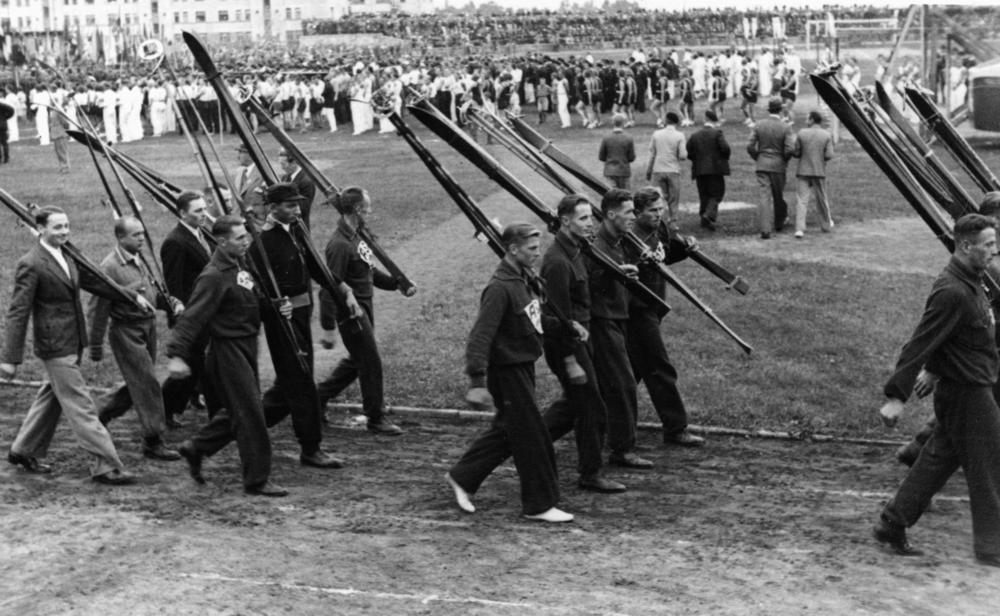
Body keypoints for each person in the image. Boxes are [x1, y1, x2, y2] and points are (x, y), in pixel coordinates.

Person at [874, 214, 1000, 567]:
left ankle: (892, 523)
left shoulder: (972, 282)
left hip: (966, 390)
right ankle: (992, 546)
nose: (995, 250)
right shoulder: (952, 291)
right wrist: (896, 397)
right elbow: (922, 342)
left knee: (939, 458)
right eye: (989, 244)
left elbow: (961, 337)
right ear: (966, 246)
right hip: (968, 394)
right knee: (992, 465)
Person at [2, 206, 152, 485]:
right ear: (41, 229)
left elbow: (96, 281)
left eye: (66, 226)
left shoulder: (67, 254)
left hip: (73, 340)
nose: (64, 232)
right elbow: (17, 311)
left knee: (53, 395)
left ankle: (23, 450)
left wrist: (131, 297)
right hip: (54, 345)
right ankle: (106, 465)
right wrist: (10, 358)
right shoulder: (31, 263)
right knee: (80, 404)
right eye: (57, 227)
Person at [445, 223, 573, 523]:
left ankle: (462, 476)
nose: (537, 253)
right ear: (513, 249)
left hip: (523, 368)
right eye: (531, 248)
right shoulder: (500, 288)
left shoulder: (523, 280)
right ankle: (539, 506)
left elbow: (533, 320)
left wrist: (566, 327)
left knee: (507, 430)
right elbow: (480, 336)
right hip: (507, 372)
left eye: (538, 247)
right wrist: (477, 381)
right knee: (533, 437)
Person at [168, 215, 292, 497]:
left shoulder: (240, 265)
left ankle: (197, 446)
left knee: (241, 409)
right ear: (222, 242)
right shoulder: (213, 276)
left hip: (246, 345)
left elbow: (252, 303)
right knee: (251, 413)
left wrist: (275, 307)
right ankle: (257, 480)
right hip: (228, 350)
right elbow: (191, 318)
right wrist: (176, 355)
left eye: (246, 235)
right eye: (239, 238)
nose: (246, 241)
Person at [250, 182, 347, 469]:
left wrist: (343, 291)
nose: (297, 209)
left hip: (303, 314)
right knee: (302, 382)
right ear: (273, 207)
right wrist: (277, 308)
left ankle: (221, 434)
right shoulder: (263, 242)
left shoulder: (295, 231)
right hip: (283, 319)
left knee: (288, 387)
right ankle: (310, 448)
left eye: (298, 204)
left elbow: (316, 268)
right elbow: (259, 289)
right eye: (290, 205)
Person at [539, 194, 626, 493]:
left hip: (580, 339)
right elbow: (559, 319)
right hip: (568, 346)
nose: (591, 223)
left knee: (574, 407)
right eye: (584, 218)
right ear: (565, 221)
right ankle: (590, 473)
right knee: (592, 408)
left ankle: (524, 442)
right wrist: (571, 361)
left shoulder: (576, 249)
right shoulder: (557, 262)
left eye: (591, 217)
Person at [316, 187, 412, 436]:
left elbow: (369, 272)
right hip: (352, 312)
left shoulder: (357, 237)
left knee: (358, 361)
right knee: (370, 361)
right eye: (367, 207)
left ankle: (318, 398)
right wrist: (328, 327)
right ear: (358, 209)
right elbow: (329, 286)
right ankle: (376, 417)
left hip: (365, 307)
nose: (370, 210)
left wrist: (396, 284)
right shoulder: (339, 245)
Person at [88, 216, 183, 461]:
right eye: (135, 235)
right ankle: (153, 440)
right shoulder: (110, 267)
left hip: (147, 328)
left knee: (138, 381)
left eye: (142, 233)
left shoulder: (140, 259)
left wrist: (171, 303)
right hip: (126, 332)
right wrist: (95, 345)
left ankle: (101, 415)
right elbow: (98, 308)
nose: (142, 238)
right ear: (120, 238)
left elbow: (151, 294)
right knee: (147, 382)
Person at [624, 188, 705, 447]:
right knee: (659, 368)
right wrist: (640, 262)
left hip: (654, 308)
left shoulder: (658, 229)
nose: (659, 214)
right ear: (637, 212)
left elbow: (664, 256)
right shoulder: (630, 238)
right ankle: (676, 427)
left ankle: (603, 420)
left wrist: (686, 248)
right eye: (652, 211)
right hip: (637, 311)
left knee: (630, 372)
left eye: (661, 209)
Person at [588, 188, 651, 470]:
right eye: (628, 212)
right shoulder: (597, 245)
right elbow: (589, 282)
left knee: (599, 389)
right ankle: (622, 448)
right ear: (611, 214)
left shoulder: (618, 240)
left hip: (617, 317)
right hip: (602, 321)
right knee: (623, 384)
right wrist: (614, 272)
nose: (633, 217)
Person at [160, 192, 214, 426]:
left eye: (204, 209)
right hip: (190, 315)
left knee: (199, 360)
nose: (204, 214)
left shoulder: (201, 234)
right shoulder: (175, 242)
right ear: (182, 213)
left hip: (205, 310)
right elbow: (173, 284)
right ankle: (165, 408)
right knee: (193, 362)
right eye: (198, 211)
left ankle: (192, 396)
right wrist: (180, 315)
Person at [748, 97, 795, 239]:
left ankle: (765, 229)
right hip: (778, 165)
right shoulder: (785, 127)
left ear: (769, 110)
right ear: (780, 110)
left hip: (762, 164)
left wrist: (758, 157)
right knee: (778, 195)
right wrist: (784, 160)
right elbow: (790, 149)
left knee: (764, 197)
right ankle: (779, 222)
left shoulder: (759, 125)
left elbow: (750, 145)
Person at [791, 110, 835, 238]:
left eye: (807, 118)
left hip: (803, 170)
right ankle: (825, 225)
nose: (806, 121)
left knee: (802, 200)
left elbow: (796, 153)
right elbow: (829, 155)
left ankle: (799, 229)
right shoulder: (826, 135)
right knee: (822, 199)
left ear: (812, 120)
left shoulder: (802, 133)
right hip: (819, 171)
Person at [685, 110, 731, 231]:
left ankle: (704, 220)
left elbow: (688, 151)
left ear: (705, 120)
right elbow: (725, 148)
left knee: (703, 195)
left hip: (699, 169)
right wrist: (722, 159)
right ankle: (708, 214)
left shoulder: (695, 135)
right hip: (715, 169)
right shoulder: (717, 133)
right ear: (714, 121)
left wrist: (696, 160)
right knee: (717, 194)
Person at [645, 111, 686, 228]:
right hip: (673, 170)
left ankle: (658, 222)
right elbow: (683, 156)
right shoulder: (679, 135)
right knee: (674, 198)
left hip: (658, 169)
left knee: (658, 198)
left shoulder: (656, 134)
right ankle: (673, 222)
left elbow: (652, 154)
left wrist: (649, 170)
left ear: (666, 120)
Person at [277, 148, 317, 228]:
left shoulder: (306, 182)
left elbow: (303, 209)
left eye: (284, 164)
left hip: (298, 228)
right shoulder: (285, 178)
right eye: (280, 164)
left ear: (294, 163)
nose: (282, 167)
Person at [598, 113, 635, 190]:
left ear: (613, 123)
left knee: (612, 194)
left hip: (610, 171)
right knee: (625, 194)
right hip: (624, 171)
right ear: (623, 123)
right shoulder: (629, 138)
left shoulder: (606, 138)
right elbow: (631, 157)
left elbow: (601, 157)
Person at [233, 142, 265, 223]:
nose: (238, 156)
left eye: (241, 152)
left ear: (250, 154)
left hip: (255, 223)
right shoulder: (240, 172)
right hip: (238, 221)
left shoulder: (262, 174)